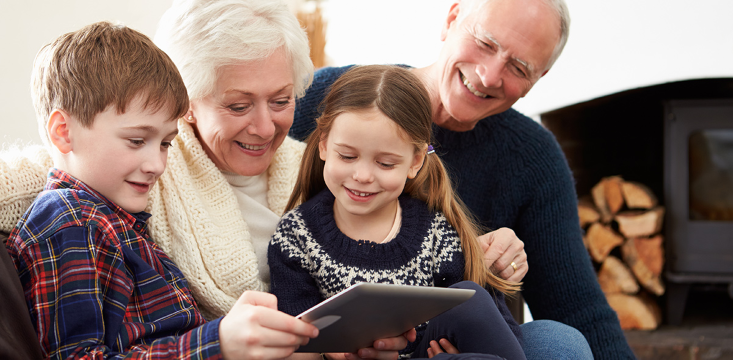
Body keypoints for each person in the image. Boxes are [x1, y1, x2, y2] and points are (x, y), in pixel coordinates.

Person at [289, 0, 633, 359]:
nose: (488, 75)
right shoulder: (333, 98)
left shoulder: (532, 156)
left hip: (451, 343)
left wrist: (502, 266)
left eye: (518, 67)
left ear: (538, 79)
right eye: (485, 43)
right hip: (337, 343)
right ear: (451, 19)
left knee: (560, 343)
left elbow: (580, 309)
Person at [5, 21, 320, 359]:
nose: (156, 164)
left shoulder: (116, 216)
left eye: (166, 143)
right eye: (137, 141)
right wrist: (219, 342)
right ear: (63, 132)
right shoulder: (70, 223)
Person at [269, 65, 526, 360]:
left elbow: (498, 325)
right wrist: (330, 352)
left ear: (415, 162)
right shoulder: (296, 237)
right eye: (347, 156)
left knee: (473, 299)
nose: (363, 175)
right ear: (324, 144)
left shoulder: (435, 233)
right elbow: (291, 342)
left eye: (386, 164)